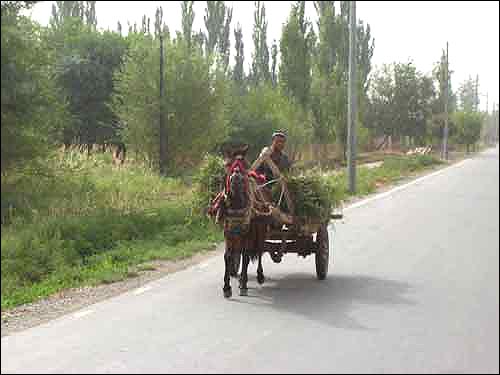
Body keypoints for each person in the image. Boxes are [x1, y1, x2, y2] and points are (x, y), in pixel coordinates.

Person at [256, 131, 292, 203]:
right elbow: (257, 171)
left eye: (282, 142)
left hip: (280, 190)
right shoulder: (265, 156)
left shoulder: (285, 159)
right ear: (273, 142)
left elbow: (287, 175)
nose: (280, 144)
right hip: (264, 187)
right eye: (278, 141)